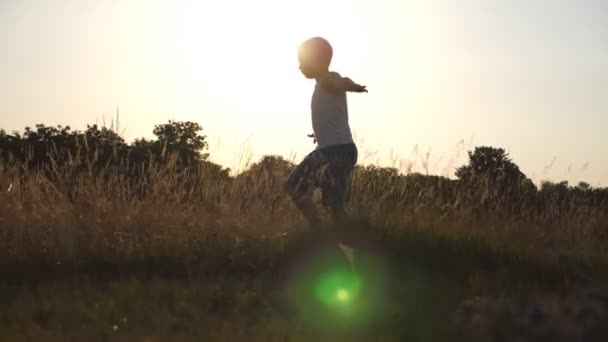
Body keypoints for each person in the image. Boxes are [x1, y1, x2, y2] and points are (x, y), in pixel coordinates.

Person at [286, 36, 367, 228]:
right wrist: (319, 134)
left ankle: (351, 234)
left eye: (303, 61)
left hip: (341, 150)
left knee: (331, 201)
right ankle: (318, 228)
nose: (299, 66)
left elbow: (342, 81)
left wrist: (352, 87)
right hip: (326, 148)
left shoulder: (329, 80)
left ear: (319, 60)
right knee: (294, 184)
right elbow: (329, 114)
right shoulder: (321, 84)